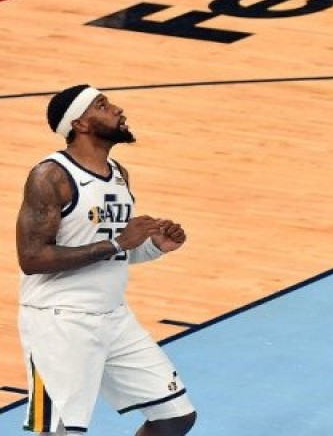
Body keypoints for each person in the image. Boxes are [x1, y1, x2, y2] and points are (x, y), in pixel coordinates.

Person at [16, 85, 197, 436]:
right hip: (60, 322)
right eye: (102, 105)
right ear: (80, 124)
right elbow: (32, 257)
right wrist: (116, 243)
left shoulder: (118, 174)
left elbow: (109, 253)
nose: (116, 108)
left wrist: (153, 247)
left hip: (114, 317)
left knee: (174, 417)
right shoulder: (50, 177)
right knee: (58, 433)